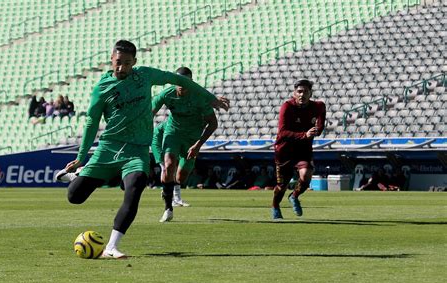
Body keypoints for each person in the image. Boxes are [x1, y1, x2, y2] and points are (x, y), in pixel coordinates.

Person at [53, 40, 229, 259]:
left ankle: (111, 246)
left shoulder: (145, 75)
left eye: (127, 63)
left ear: (134, 62)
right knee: (75, 197)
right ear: (111, 59)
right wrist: (81, 157)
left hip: (136, 151)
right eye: (118, 62)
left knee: (136, 186)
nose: (121, 67)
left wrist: (210, 98)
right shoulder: (102, 88)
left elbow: (178, 79)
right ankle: (78, 175)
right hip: (109, 148)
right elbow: (91, 122)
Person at [151, 66, 228, 222]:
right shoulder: (167, 95)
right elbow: (149, 112)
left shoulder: (199, 97)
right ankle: (168, 208)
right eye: (179, 81)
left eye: (186, 82)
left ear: (191, 82)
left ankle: (171, 189)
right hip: (173, 133)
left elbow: (213, 123)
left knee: (181, 175)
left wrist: (198, 145)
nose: (182, 85)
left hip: (192, 139)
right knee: (169, 164)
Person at [271, 79, 326, 219]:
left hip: (303, 150)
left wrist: (317, 130)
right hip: (284, 151)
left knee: (307, 173)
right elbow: (282, 132)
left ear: (310, 93)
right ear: (294, 93)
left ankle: (294, 196)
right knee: (281, 186)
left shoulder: (318, 106)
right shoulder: (287, 106)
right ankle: (275, 206)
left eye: (305, 91)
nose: (302, 94)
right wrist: (304, 134)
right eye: (299, 92)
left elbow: (320, 125)